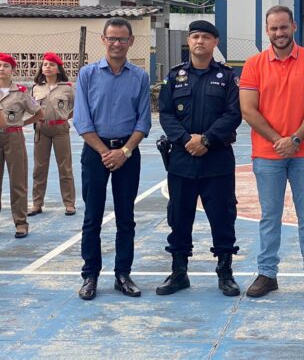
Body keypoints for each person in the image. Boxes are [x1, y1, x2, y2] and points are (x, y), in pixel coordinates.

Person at [239, 6, 304, 299]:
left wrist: (294, 139)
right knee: (270, 216)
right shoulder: (253, 64)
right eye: (273, 28)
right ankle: (267, 274)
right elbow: (248, 109)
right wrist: (279, 140)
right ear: (266, 31)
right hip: (267, 154)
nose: (279, 33)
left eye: (283, 27)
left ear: (294, 27)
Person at [157, 20, 242, 297]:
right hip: (182, 160)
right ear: (189, 41)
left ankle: (225, 272)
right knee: (179, 217)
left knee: (223, 216)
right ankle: (179, 272)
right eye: (195, 36)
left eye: (206, 37)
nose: (199, 41)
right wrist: (185, 141)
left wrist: (205, 140)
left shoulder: (227, 77)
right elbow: (166, 113)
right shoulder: (174, 76)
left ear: (215, 42)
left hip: (216, 159)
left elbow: (233, 115)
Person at [73, 18, 151, 300]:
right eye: (112, 38)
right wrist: (105, 152)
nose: (117, 43)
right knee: (92, 217)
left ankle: (122, 274)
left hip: (127, 153)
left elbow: (143, 121)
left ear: (131, 41)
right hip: (96, 153)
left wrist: (125, 152)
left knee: (126, 217)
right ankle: (90, 275)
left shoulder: (140, 77)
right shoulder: (87, 75)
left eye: (122, 39)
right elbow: (82, 120)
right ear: (103, 40)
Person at [0, 53, 43, 238]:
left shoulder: (20, 92)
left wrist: (22, 124)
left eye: (6, 66)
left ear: (13, 70)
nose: (1, 69)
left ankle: (21, 222)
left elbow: (39, 113)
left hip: (13, 138)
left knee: (17, 181)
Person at [29, 52, 76, 217]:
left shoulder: (67, 88)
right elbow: (31, 109)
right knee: (39, 168)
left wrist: (62, 118)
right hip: (41, 129)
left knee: (65, 167)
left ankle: (69, 204)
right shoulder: (36, 88)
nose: (47, 67)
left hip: (60, 130)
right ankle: (37, 203)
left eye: (51, 65)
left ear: (58, 69)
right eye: (45, 64)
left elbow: (74, 108)